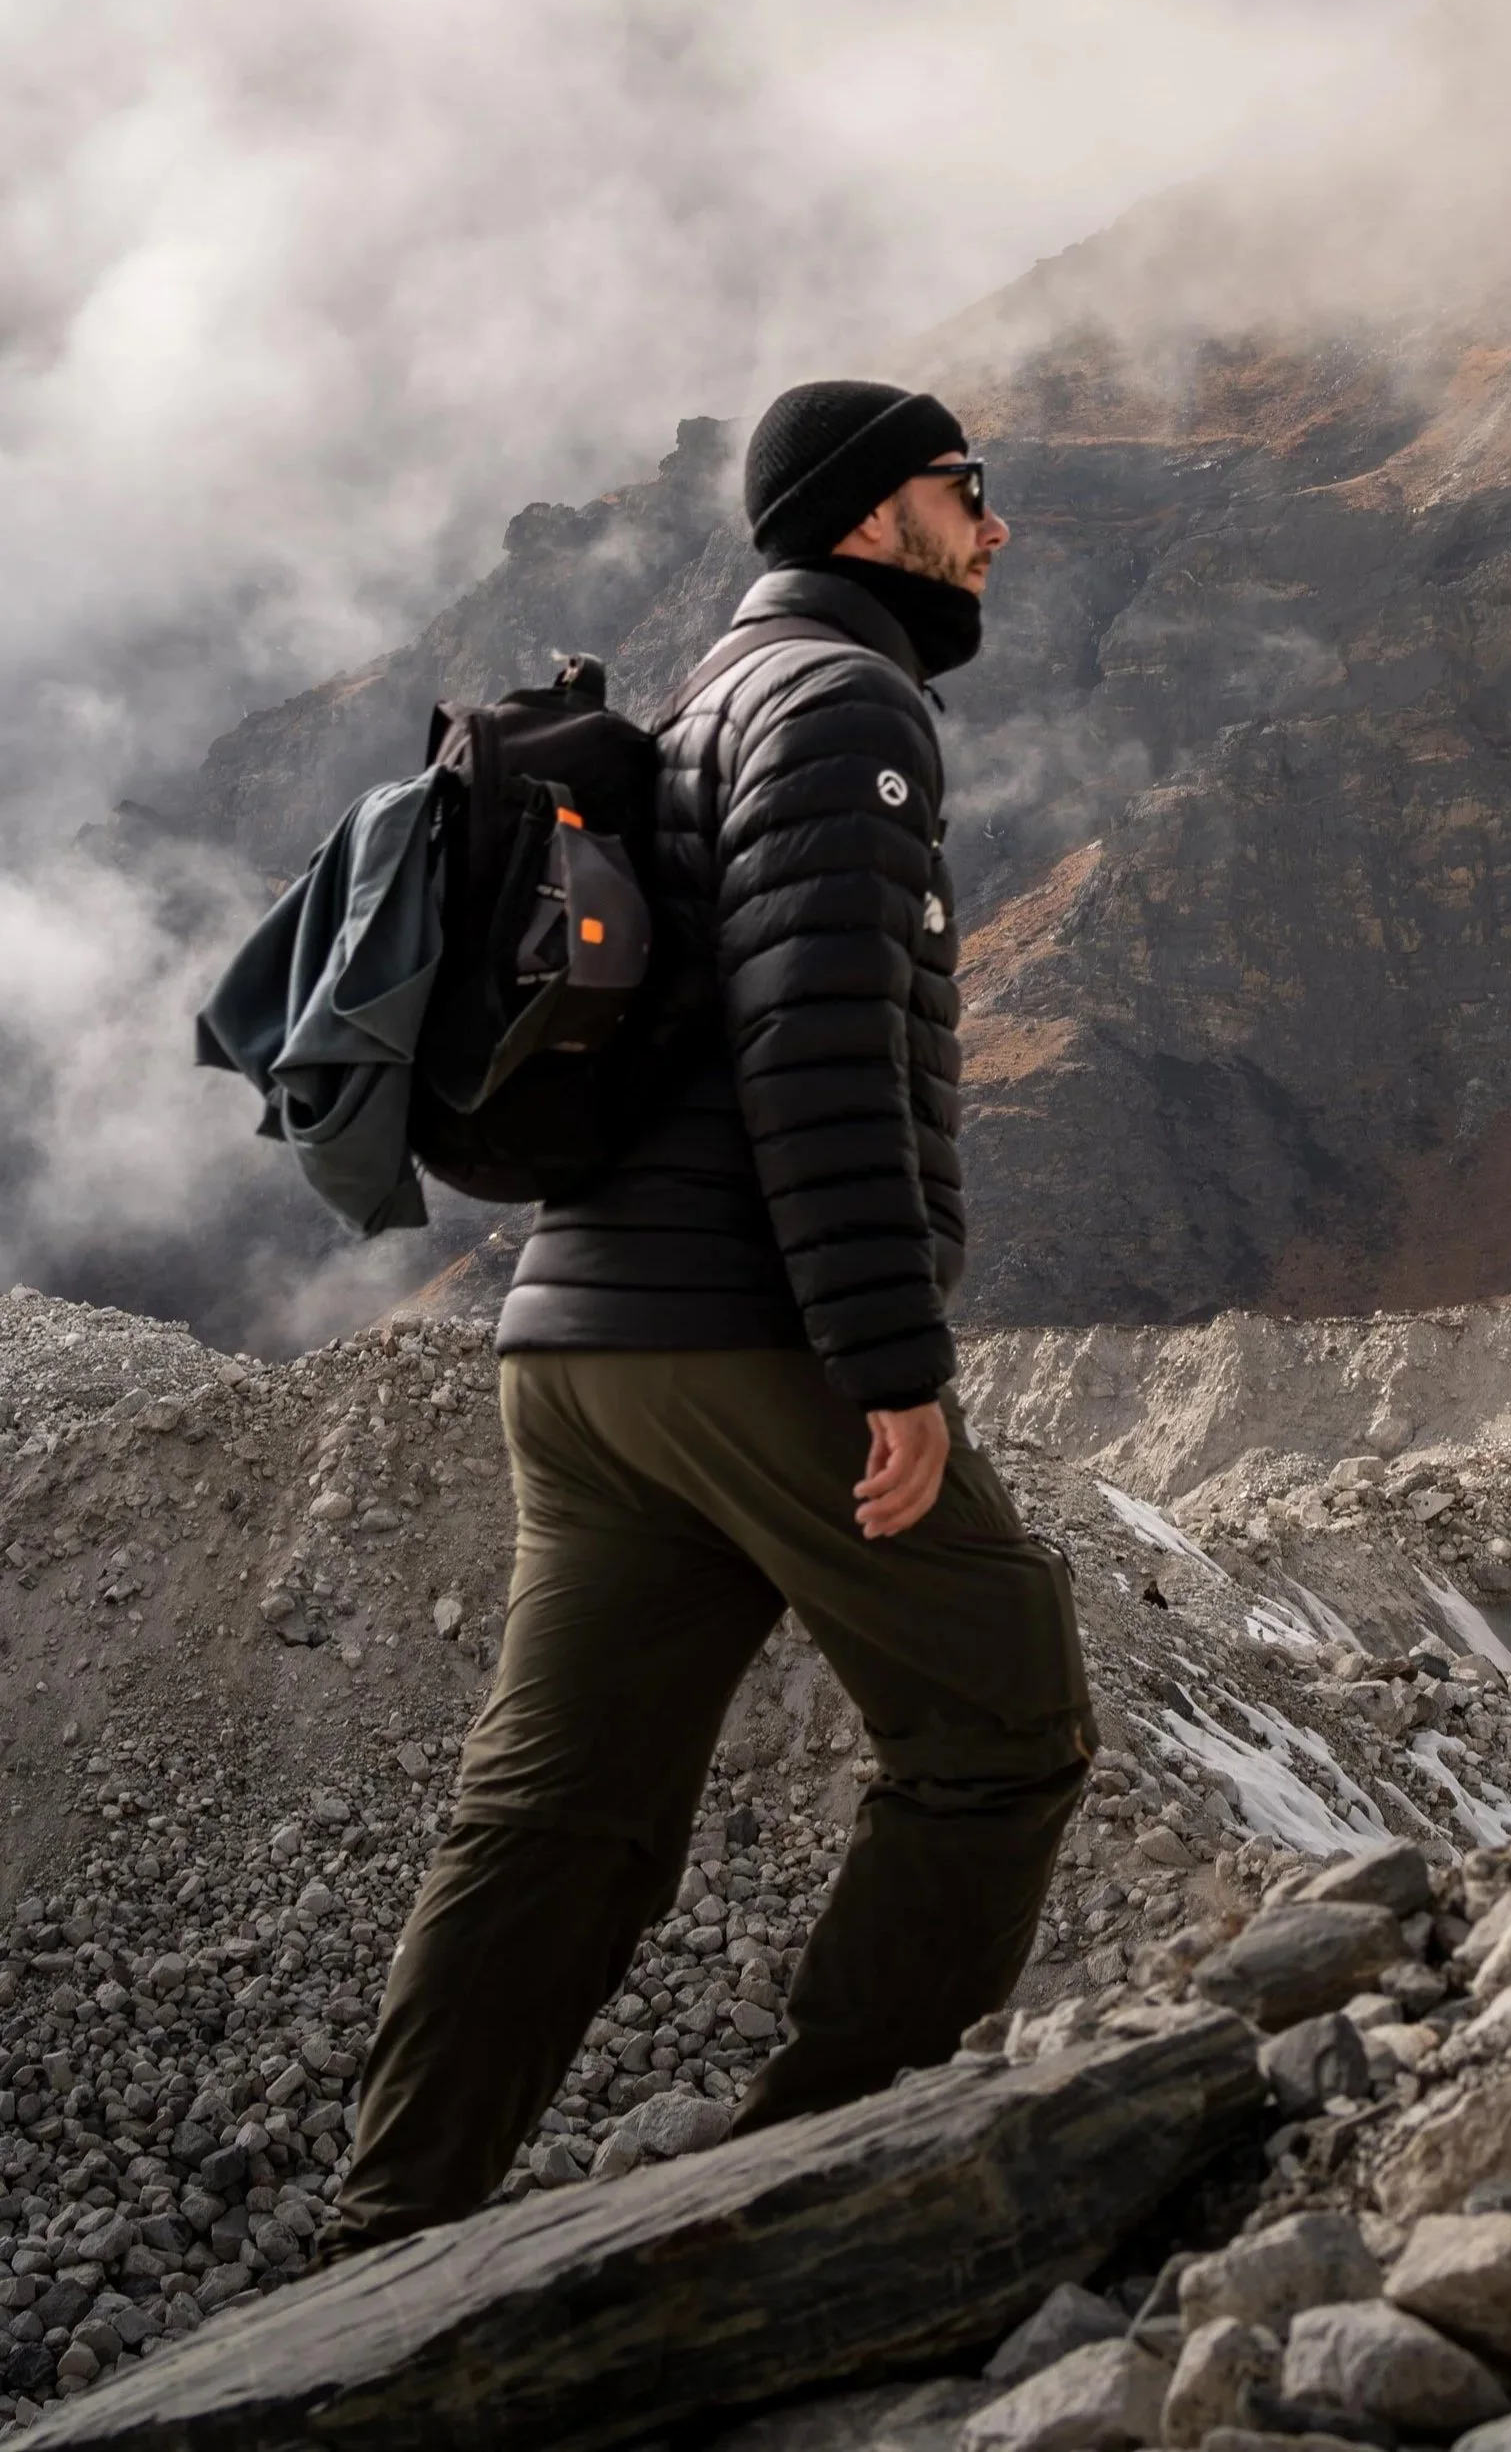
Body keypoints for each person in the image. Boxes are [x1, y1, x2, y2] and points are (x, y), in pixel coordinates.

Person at [324, 379, 1094, 2250]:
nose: (993, 527)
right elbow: (814, 1051)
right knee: (1005, 1718)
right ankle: (824, 2163)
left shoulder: (704, 704)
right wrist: (892, 1365)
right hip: (740, 1333)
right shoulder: (844, 709)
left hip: (578, 1358)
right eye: (960, 490)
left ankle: (388, 2223)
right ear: (861, 516)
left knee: (562, 1803)